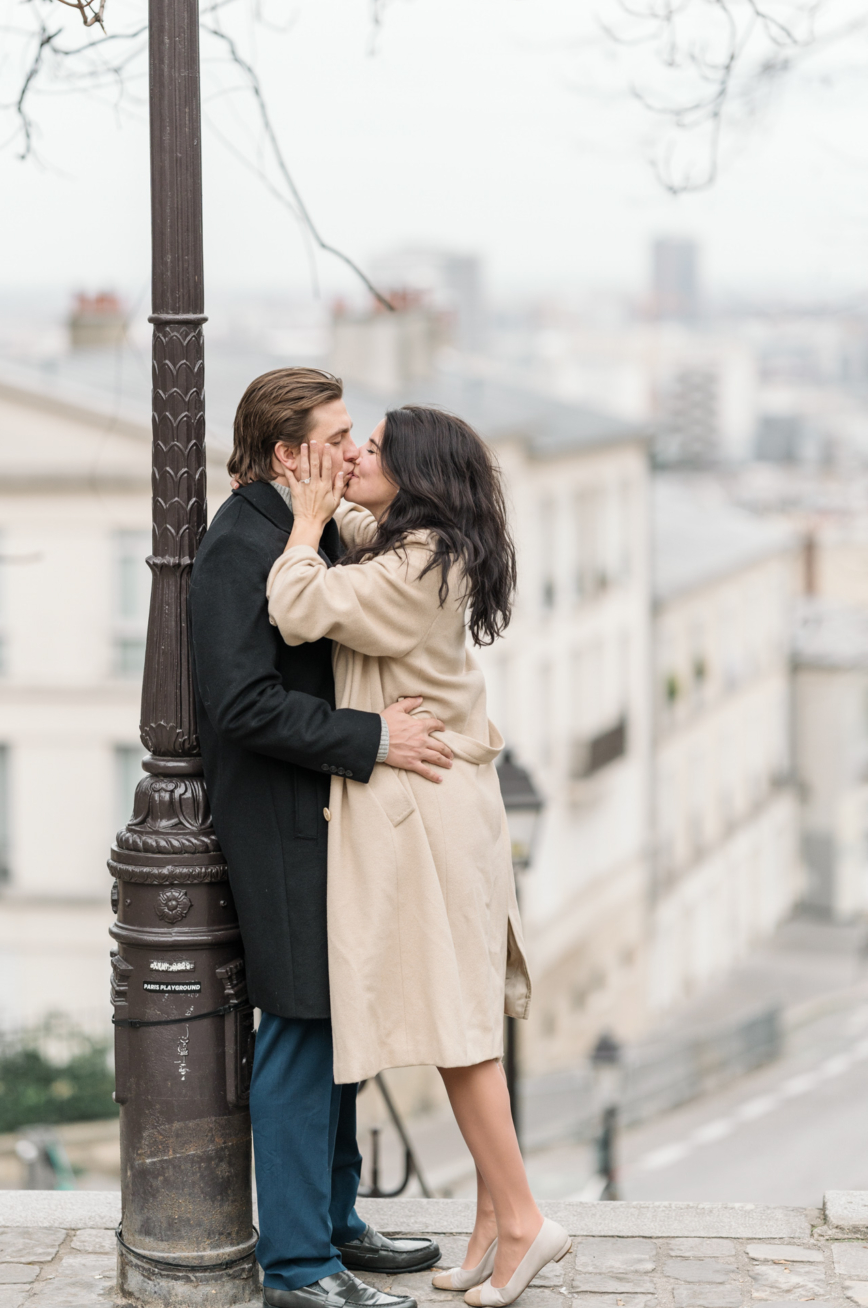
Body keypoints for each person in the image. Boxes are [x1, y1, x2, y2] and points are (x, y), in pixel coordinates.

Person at [265, 407, 572, 1308]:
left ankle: (521, 1221)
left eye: (371, 447)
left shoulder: (415, 567)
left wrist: (303, 524)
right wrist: (317, 489)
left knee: (460, 1034)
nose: (354, 454)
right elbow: (363, 528)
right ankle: (490, 1227)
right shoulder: (428, 544)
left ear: (416, 475)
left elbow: (297, 606)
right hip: (445, 807)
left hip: (428, 814)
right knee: (458, 1026)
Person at [189, 369, 448, 1308]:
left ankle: (335, 1225)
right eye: (337, 438)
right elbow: (242, 703)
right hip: (282, 826)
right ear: (287, 453)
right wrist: (376, 738)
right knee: (300, 1031)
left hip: (325, 816)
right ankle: (299, 1267)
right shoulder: (237, 546)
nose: (352, 452)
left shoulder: (314, 531)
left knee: (338, 1026)